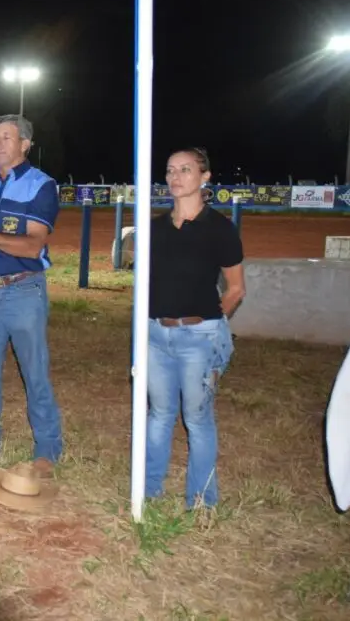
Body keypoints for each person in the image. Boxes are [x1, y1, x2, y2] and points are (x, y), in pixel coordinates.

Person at [0, 115, 62, 476]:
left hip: (24, 290)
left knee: (34, 372)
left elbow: (34, 245)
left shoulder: (41, 185)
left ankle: (47, 448)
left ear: (25, 145)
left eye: (7, 137)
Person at [146, 147, 245, 510]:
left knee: (198, 418)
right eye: (171, 170)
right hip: (155, 335)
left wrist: (211, 323)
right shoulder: (154, 228)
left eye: (185, 169)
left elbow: (236, 289)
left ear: (205, 177)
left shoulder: (219, 229)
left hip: (199, 339)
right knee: (158, 414)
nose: (175, 177)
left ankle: (201, 499)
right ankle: (148, 490)